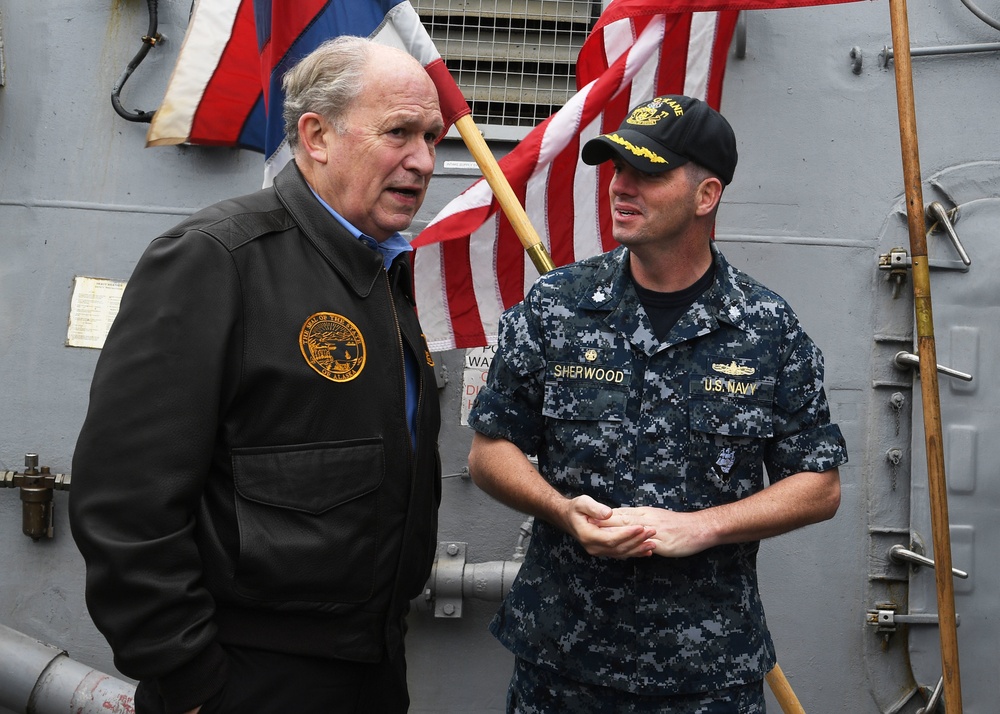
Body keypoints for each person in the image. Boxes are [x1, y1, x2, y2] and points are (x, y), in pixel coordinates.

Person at [69, 36, 444, 714]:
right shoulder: (217, 260)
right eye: (399, 133)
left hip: (370, 669)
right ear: (316, 135)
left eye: (431, 136)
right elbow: (125, 503)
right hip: (244, 680)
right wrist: (189, 682)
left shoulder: (384, 272)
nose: (423, 161)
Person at [466, 94, 848, 713]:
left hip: (707, 674)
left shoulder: (767, 328)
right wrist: (564, 512)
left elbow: (818, 485)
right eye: (619, 170)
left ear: (706, 195)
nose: (622, 187)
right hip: (563, 666)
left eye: (648, 173)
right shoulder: (557, 305)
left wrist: (702, 526)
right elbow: (491, 451)